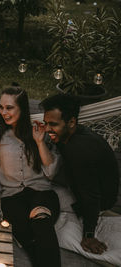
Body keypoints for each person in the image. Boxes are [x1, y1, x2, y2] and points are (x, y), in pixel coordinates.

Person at [0, 85, 61, 267]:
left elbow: (50, 173)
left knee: (41, 223)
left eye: (9, 107)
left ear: (22, 108)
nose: (4, 112)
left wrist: (40, 143)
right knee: (27, 236)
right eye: (1, 107)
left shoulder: (38, 131)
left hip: (40, 192)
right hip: (12, 196)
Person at [40, 94, 119, 255]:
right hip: (81, 183)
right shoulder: (74, 133)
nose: (47, 129)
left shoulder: (79, 151)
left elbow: (92, 196)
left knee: (37, 192)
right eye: (45, 123)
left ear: (71, 122)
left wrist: (89, 235)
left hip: (97, 202)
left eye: (53, 124)